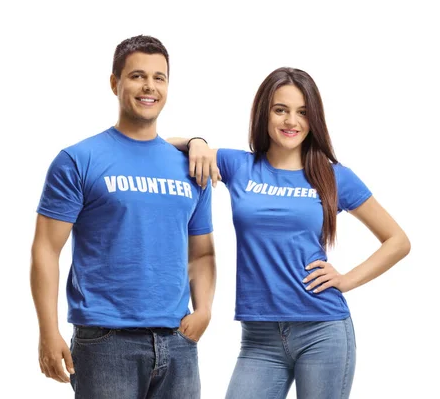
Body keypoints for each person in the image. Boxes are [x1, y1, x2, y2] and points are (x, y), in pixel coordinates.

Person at [168, 67, 411, 399]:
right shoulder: (239, 166)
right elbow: (160, 150)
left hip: (322, 330)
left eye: (302, 112)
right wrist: (197, 141)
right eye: (280, 110)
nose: (291, 121)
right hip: (259, 338)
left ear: (313, 120)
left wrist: (346, 279)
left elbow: (398, 241)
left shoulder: (333, 176)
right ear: (265, 113)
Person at [30, 35, 216, 399]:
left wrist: (205, 309)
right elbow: (46, 249)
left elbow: (203, 253)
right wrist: (48, 331)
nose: (149, 86)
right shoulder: (78, 160)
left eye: (159, 78)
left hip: (178, 341)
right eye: (137, 76)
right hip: (105, 342)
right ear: (115, 83)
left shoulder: (192, 167)